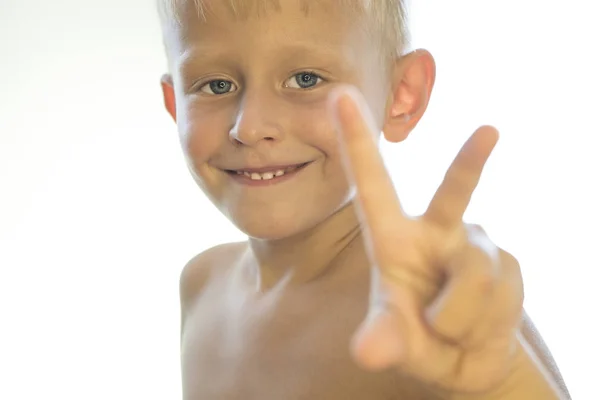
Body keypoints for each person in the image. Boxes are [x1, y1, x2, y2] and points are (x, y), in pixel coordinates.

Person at [157, 0, 570, 398]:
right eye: (215, 85)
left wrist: (501, 385)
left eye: (306, 79)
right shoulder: (201, 285)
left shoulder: (431, 305)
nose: (250, 126)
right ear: (176, 104)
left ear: (402, 95)